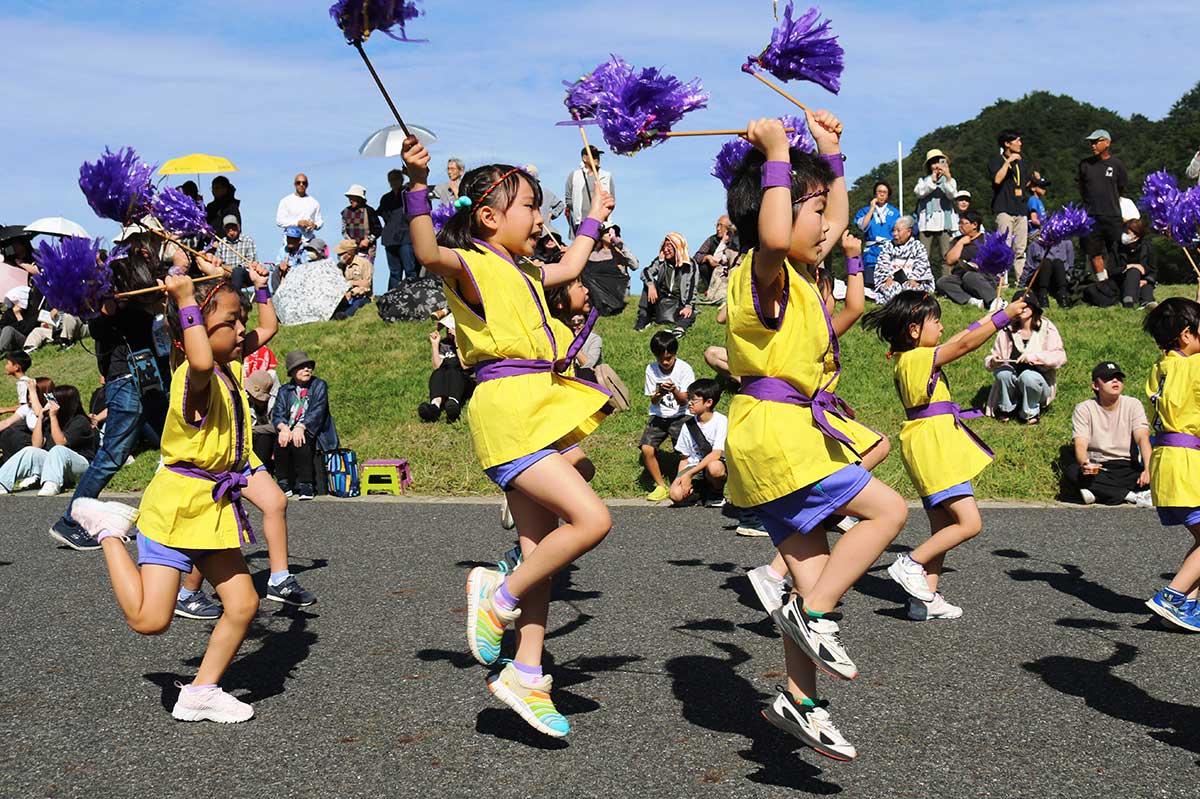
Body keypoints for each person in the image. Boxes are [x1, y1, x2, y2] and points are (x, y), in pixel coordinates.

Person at [402, 133, 615, 739]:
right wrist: (418, 185)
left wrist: (596, 214)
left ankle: (526, 671)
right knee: (592, 520)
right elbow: (424, 251)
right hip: (509, 408)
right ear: (490, 217)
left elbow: (572, 265)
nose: (540, 217)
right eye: (531, 206)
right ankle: (498, 592)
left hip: (538, 403)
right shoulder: (470, 263)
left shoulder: (522, 269)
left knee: (540, 551)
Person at [722, 114, 907, 761]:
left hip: (779, 437)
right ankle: (814, 612)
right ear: (773, 209)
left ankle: (799, 700)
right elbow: (776, 230)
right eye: (814, 210)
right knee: (889, 509)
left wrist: (829, 152)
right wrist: (778, 151)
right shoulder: (760, 270)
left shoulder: (801, 278)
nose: (827, 224)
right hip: (780, 437)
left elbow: (824, 221)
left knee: (814, 575)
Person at [82, 272, 264, 723]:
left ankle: (201, 691)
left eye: (242, 321)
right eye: (231, 322)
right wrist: (186, 298)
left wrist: (259, 286)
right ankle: (108, 531)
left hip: (213, 509)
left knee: (243, 604)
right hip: (177, 508)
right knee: (150, 621)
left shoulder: (229, 370)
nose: (242, 330)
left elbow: (267, 330)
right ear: (193, 332)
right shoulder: (191, 378)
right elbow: (200, 361)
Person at [864, 290, 1027, 622]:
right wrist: (1003, 318)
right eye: (934, 320)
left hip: (925, 445)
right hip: (935, 445)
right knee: (969, 523)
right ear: (913, 330)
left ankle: (925, 598)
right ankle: (909, 564)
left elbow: (959, 338)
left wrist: (990, 314)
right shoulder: (918, 358)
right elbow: (964, 345)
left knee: (942, 526)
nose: (940, 326)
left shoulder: (908, 358)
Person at [48, 239, 171, 552]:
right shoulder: (107, 306)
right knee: (112, 455)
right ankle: (71, 520)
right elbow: (104, 327)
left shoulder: (136, 297)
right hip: (130, 383)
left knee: (175, 442)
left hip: (148, 382)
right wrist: (108, 301)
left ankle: (173, 515)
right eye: (141, 252)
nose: (146, 255)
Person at [1142, 299, 1200, 631]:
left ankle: (1187, 605)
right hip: (1187, 462)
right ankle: (1174, 596)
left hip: (1167, 460)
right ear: (1186, 335)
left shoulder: (1161, 367)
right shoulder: (1194, 366)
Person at [1066, 362, 1152, 507]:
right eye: (1108, 378)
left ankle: (1100, 493)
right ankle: (1131, 496)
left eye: (1119, 378)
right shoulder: (1084, 408)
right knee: (1073, 472)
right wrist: (1084, 463)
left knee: (1161, 473)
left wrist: (1148, 469)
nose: (1115, 381)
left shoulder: (1133, 404)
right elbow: (1080, 444)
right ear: (1095, 386)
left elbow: (1143, 438)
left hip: (1128, 467)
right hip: (1099, 467)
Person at [984, 293, 1066, 424]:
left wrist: (1034, 357)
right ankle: (1006, 409)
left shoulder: (1047, 328)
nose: (1022, 309)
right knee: (1003, 373)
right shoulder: (1006, 330)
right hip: (1014, 382)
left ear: (1034, 308)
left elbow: (1060, 357)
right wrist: (994, 361)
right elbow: (990, 358)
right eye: (1019, 306)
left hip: (1038, 384)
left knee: (1028, 376)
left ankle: (1030, 413)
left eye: (1026, 306)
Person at [0, 385, 96, 496]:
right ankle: (2, 482)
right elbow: (36, 445)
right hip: (55, 466)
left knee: (58, 450)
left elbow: (61, 442)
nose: (49, 404)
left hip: (80, 467)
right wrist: (40, 419)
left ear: (64, 403)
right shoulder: (51, 420)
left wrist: (53, 417)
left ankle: (51, 484)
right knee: (29, 451)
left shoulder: (80, 421)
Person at [273, 350, 338, 501]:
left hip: (314, 429)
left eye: (308, 366)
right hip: (290, 427)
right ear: (292, 371)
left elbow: (318, 411)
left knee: (301, 441)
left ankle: (306, 484)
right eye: (301, 367)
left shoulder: (319, 385)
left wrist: (301, 427)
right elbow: (278, 413)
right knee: (280, 440)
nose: (306, 369)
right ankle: (283, 483)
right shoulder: (284, 390)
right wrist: (283, 428)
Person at [640, 331, 695, 502]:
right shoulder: (651, 369)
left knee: (684, 451)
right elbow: (654, 401)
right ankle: (660, 485)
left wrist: (674, 390)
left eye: (668, 358)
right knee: (646, 448)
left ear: (675, 354)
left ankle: (682, 482)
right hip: (659, 415)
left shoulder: (684, 369)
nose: (664, 362)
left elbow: (685, 401)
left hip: (680, 415)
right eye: (660, 359)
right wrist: (660, 392)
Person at [1078, 130, 1128, 281]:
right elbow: (1082, 188)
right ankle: (1102, 283)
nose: (1093, 145)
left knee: (1117, 250)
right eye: (1091, 142)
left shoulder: (1117, 164)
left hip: (1112, 215)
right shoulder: (1085, 165)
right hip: (1091, 216)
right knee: (1094, 252)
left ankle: (1119, 282)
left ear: (1107, 142)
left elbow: (1122, 187)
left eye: (1096, 141)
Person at [669, 377, 727, 506]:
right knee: (675, 494)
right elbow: (685, 458)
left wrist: (689, 475)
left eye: (693, 400)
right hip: (694, 466)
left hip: (714, 464)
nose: (689, 403)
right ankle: (698, 492)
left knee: (714, 468)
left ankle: (716, 495)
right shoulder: (688, 425)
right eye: (688, 399)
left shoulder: (721, 421)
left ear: (708, 402)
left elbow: (716, 454)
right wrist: (681, 478)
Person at [1082, 218, 1156, 309]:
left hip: (1142, 282)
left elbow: (1153, 270)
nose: (1124, 235)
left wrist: (1146, 281)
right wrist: (1128, 266)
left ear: (1137, 235)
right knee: (1133, 270)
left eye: (1127, 232)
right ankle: (1128, 300)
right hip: (1120, 280)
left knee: (1139, 279)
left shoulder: (1147, 247)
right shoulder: (1117, 246)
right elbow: (1111, 270)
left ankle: (1144, 303)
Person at [636, 233, 697, 337]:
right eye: (665, 245)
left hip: (678, 302)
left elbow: (691, 287)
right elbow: (646, 272)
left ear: (677, 247)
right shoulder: (661, 261)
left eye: (670, 246)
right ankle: (643, 319)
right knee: (648, 284)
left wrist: (688, 306)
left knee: (690, 312)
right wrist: (651, 285)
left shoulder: (689, 264)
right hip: (661, 300)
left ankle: (679, 329)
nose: (666, 249)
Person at [988, 130, 1028, 284]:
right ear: (1007, 144)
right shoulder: (996, 160)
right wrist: (1008, 162)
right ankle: (1001, 282)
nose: (1020, 144)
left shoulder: (1022, 163)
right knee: (1004, 247)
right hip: (1003, 208)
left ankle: (1021, 282)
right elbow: (997, 180)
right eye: (1017, 141)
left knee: (1020, 249)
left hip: (1020, 209)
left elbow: (1022, 185)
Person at [936, 210, 997, 308]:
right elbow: (949, 261)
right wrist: (960, 243)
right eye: (959, 223)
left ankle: (994, 301)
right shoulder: (957, 240)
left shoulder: (986, 240)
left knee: (969, 276)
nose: (960, 226)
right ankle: (973, 301)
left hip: (982, 277)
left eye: (963, 223)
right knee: (942, 282)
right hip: (960, 277)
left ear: (974, 225)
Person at [914, 150, 959, 274]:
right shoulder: (923, 180)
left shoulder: (949, 180)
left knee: (946, 255)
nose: (937, 165)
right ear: (929, 166)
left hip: (944, 222)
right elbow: (919, 193)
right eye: (933, 163)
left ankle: (946, 283)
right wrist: (932, 181)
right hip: (926, 223)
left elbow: (952, 195)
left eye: (939, 162)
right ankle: (923, 282)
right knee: (923, 256)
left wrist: (948, 176)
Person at [418, 314, 470, 422]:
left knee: (453, 371)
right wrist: (435, 345)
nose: (448, 331)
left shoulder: (467, 342)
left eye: (450, 328)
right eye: (447, 328)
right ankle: (434, 406)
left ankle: (453, 404)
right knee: (437, 373)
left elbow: (466, 366)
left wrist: (457, 342)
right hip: (446, 378)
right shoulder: (444, 344)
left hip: (465, 379)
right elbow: (436, 366)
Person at [873, 216, 934, 305]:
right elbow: (882, 264)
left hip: (913, 280)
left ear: (909, 232)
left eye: (898, 231)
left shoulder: (918, 246)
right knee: (891, 290)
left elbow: (922, 265)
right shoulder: (888, 246)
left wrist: (913, 278)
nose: (895, 234)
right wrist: (888, 278)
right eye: (893, 230)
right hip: (893, 280)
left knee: (912, 292)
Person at [581, 223, 638, 317]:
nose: (611, 235)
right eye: (608, 233)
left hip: (619, 292)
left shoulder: (620, 252)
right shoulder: (594, 255)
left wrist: (622, 247)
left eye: (614, 233)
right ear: (600, 237)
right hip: (599, 294)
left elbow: (635, 265)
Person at [377, 168, 419, 289]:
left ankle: (414, 294)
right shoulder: (386, 198)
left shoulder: (408, 193)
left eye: (396, 178)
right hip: (390, 238)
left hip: (406, 237)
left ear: (401, 179)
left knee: (410, 269)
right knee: (395, 272)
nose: (394, 181)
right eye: (391, 179)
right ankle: (393, 297)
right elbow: (382, 214)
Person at [854, 182, 900, 289]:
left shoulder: (894, 212)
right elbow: (862, 227)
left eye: (884, 192)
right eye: (879, 192)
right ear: (875, 193)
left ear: (888, 195)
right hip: (871, 251)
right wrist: (871, 209)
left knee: (887, 281)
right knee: (870, 283)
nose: (882, 195)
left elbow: (898, 231)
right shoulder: (865, 210)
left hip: (888, 250)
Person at [564, 145, 614, 237]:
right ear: (584, 158)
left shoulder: (606, 176)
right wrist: (576, 210)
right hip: (581, 221)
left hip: (601, 222)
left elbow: (611, 198)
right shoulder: (575, 175)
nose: (596, 159)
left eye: (598, 156)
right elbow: (568, 199)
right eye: (593, 156)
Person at [693, 215, 742, 294]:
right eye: (717, 225)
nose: (718, 228)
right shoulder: (712, 239)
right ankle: (707, 289)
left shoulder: (736, 241)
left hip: (731, 269)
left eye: (721, 225)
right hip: (715, 270)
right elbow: (697, 256)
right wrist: (707, 257)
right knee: (703, 267)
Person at [245, 369, 279, 475]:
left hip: (272, 438)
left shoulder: (276, 404)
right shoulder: (246, 402)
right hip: (252, 438)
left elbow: (275, 427)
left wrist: (253, 429)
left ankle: (259, 471)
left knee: (265, 437)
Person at [332, 239, 373, 319]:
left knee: (356, 306)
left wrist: (351, 292)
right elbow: (337, 283)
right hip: (343, 296)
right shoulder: (339, 266)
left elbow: (366, 285)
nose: (338, 256)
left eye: (341, 254)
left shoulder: (364, 264)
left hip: (361, 297)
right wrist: (354, 283)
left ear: (349, 254)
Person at [275, 173, 323, 241]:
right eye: (298, 182)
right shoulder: (285, 201)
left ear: (307, 185)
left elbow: (319, 221)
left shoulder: (314, 202)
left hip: (308, 241)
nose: (301, 185)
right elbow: (279, 221)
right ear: (295, 184)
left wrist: (314, 225)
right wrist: (297, 223)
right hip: (290, 243)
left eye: (304, 183)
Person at [339, 184, 382, 258]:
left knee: (365, 268)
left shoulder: (369, 211)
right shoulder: (345, 212)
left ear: (360, 198)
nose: (351, 200)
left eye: (353, 198)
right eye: (350, 198)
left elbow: (378, 229)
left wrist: (368, 240)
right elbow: (344, 230)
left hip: (367, 250)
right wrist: (350, 243)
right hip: (351, 250)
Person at [522, 164, 565, 232]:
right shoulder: (520, 194)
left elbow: (560, 205)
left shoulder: (545, 192)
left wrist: (552, 214)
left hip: (543, 232)